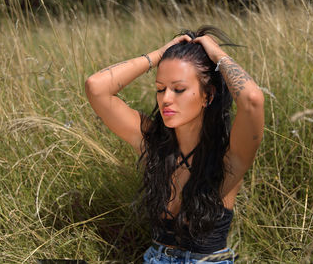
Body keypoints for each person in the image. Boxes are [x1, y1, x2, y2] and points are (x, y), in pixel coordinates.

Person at [85, 26, 264, 264]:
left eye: (178, 89)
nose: (166, 99)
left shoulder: (229, 157)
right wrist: (160, 54)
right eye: (160, 89)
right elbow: (96, 87)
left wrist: (216, 54)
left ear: (208, 96)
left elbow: (252, 99)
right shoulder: (154, 143)